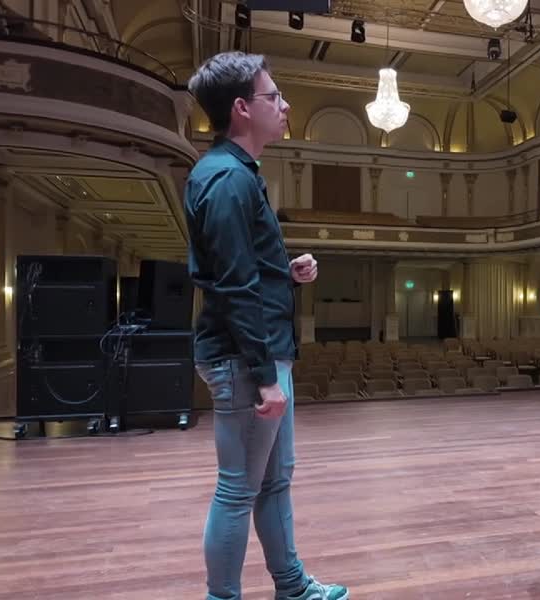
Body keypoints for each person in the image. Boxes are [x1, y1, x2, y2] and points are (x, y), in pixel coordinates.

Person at [185, 51, 347, 600]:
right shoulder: (227, 180)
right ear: (241, 108)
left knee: (275, 481)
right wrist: (263, 376)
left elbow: (243, 270)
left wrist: (286, 273)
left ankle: (293, 587)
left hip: (261, 354)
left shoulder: (236, 174)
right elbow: (232, 286)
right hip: (246, 361)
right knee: (237, 490)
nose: (285, 105)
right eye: (273, 96)